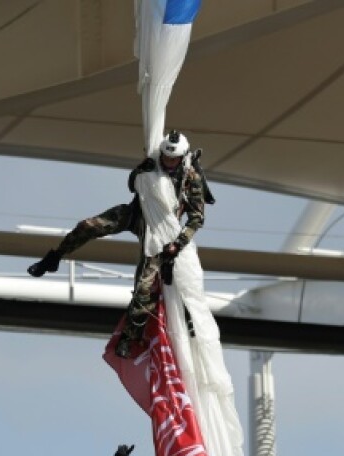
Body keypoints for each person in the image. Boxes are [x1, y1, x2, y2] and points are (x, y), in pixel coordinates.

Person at [27, 130, 210, 358]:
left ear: (182, 157)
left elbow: (197, 218)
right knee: (88, 226)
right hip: (135, 214)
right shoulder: (154, 162)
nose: (169, 162)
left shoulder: (190, 178)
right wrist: (140, 171)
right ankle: (54, 257)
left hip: (161, 232)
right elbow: (133, 186)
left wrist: (178, 243)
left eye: (173, 159)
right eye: (166, 157)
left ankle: (130, 336)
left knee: (144, 287)